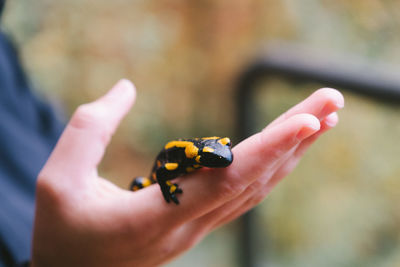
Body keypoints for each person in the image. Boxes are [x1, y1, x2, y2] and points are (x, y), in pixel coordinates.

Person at [0, 1, 345, 266]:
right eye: (214, 157)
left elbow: (219, 146)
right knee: (142, 184)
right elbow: (164, 173)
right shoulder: (190, 158)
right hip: (156, 174)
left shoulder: (6, 58)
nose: (221, 156)